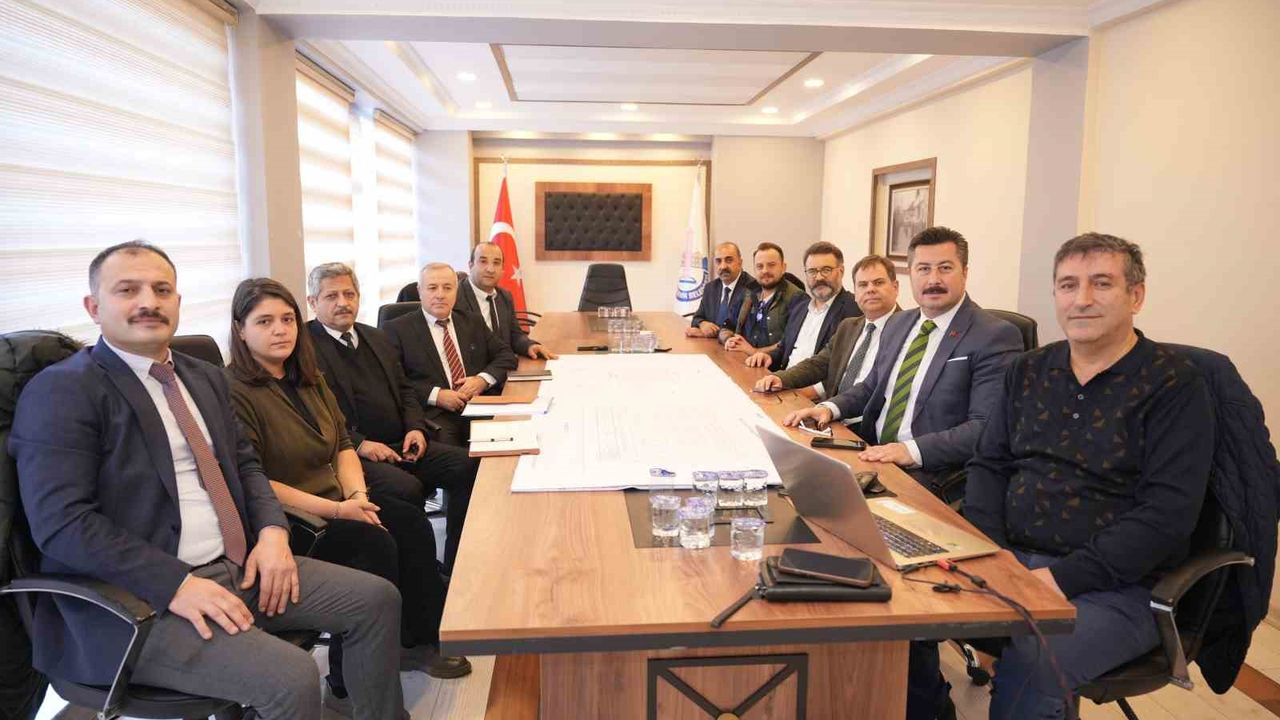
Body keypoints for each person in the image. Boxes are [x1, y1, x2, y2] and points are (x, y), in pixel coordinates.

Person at [9, 241, 405, 720]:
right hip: (139, 600)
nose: (149, 302)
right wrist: (175, 584)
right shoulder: (63, 391)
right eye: (127, 290)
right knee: (292, 676)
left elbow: (246, 467)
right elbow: (62, 524)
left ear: (178, 302)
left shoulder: (204, 378)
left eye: (162, 290)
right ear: (94, 307)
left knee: (377, 600)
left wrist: (273, 534)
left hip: (240, 567)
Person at [964, 234, 1213, 719]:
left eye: (1101, 283)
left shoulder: (1174, 385)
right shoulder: (1028, 370)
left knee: (1038, 658)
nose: (1081, 299)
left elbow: (1167, 515)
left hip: (1121, 585)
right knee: (896, 611)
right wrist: (993, 555)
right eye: (1068, 285)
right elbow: (989, 465)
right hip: (1011, 559)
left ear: (1136, 296)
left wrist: (1059, 578)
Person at [225, 278, 471, 716]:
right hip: (290, 519)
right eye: (264, 322)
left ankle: (411, 640)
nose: (280, 330)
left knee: (408, 522)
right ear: (241, 330)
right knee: (373, 544)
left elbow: (341, 444)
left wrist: (357, 495)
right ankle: (341, 685)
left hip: (338, 498)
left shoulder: (307, 377)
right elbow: (255, 481)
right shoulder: (233, 391)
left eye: (287, 319)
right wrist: (340, 509)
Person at [783, 227, 1023, 497]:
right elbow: (872, 385)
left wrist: (909, 450)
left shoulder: (994, 335)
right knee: (794, 484)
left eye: (945, 268)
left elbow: (985, 427)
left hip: (930, 471)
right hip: (871, 453)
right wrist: (829, 408)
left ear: (964, 272)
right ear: (910, 274)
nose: (933, 279)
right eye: (923, 269)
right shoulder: (899, 323)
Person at [305, 263, 480, 574]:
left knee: (469, 466)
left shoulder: (377, 336)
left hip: (403, 442)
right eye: (331, 296)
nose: (343, 302)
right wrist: (361, 444)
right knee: (407, 488)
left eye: (349, 294)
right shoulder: (303, 348)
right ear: (312, 302)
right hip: (354, 455)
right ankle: (420, 570)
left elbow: (405, 390)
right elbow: (311, 413)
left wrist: (415, 428)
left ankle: (457, 563)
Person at [385, 263, 519, 448]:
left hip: (477, 406)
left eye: (447, 288)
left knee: (510, 443)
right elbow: (393, 381)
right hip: (434, 415)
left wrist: (482, 380)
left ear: (456, 291)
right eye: (432, 288)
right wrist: (436, 395)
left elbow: (506, 355)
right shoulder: (397, 330)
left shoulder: (472, 321)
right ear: (420, 291)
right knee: (461, 459)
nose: (440, 295)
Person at [754, 254, 901, 402]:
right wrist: (780, 379)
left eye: (878, 283)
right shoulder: (849, 326)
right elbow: (818, 364)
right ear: (856, 293)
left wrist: (827, 407)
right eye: (863, 285)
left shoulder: (906, 331)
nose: (870, 289)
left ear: (895, 287)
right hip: (831, 408)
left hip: (854, 412)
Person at [744, 241, 860, 375]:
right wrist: (767, 357)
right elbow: (783, 348)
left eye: (826, 270)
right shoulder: (801, 308)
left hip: (812, 385)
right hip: (784, 378)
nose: (819, 277)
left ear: (841, 271)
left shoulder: (853, 309)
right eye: (812, 271)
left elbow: (842, 367)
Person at [455, 242, 558, 360]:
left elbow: (515, 335)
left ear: (502, 269)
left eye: (496, 263)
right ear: (470, 265)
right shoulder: (455, 297)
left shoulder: (504, 297)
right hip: (474, 369)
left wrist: (529, 346)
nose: (490, 269)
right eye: (483, 261)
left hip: (504, 364)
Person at [722, 243, 808, 355]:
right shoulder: (749, 292)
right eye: (759, 266)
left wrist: (754, 352)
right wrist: (728, 340)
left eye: (771, 265)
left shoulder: (798, 298)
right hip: (741, 358)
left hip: (773, 365)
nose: (765, 271)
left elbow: (790, 344)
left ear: (783, 267)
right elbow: (727, 326)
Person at [685, 241, 758, 338]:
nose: (723, 266)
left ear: (740, 263)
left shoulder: (752, 288)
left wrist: (706, 333)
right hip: (711, 345)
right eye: (718, 261)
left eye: (729, 260)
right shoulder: (711, 287)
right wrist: (702, 324)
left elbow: (742, 330)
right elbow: (697, 318)